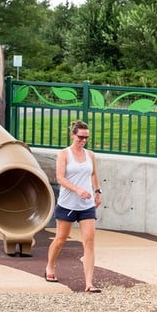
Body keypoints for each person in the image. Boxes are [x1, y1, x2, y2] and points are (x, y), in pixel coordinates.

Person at [45, 120, 103, 293]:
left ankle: (89, 283)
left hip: (86, 205)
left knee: (89, 241)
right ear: (72, 135)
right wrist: (77, 189)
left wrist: (97, 191)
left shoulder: (90, 155)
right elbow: (60, 178)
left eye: (86, 138)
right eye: (80, 137)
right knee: (61, 239)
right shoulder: (64, 154)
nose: (83, 140)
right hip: (68, 203)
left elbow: (93, 173)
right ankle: (49, 266)